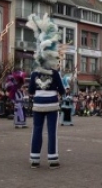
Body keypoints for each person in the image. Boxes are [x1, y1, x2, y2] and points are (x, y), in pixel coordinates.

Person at [26, 13, 66, 169]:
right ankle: (52, 158)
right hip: (52, 104)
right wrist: (62, 93)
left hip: (38, 104)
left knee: (36, 130)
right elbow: (62, 90)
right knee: (52, 132)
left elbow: (30, 90)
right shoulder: (55, 73)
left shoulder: (34, 73)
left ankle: (35, 158)